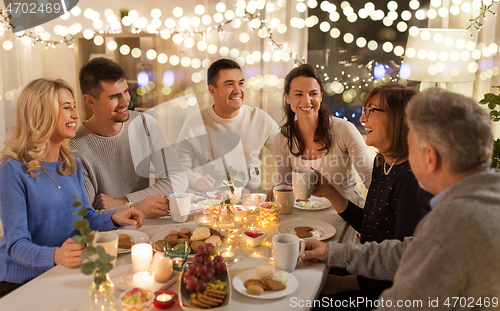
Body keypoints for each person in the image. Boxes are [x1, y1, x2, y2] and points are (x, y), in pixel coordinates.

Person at [301, 87, 499, 310]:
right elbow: (408, 250)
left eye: (412, 147)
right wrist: (332, 252)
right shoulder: (486, 198)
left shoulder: (452, 226)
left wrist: (340, 283)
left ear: (430, 157)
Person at [0, 78, 145, 298]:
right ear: (41, 113)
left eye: (75, 107)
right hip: (19, 282)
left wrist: (115, 218)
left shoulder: (71, 163)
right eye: (67, 108)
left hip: (62, 271)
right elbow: (16, 245)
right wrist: (56, 255)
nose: (76, 115)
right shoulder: (12, 169)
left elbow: (84, 217)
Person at [315, 84, 432, 306]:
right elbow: (370, 225)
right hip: (367, 270)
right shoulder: (382, 162)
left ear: (400, 118)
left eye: (371, 110)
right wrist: (329, 191)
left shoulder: (413, 179)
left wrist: (342, 284)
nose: (362, 118)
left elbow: (402, 264)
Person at [70, 57, 188, 218]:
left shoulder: (145, 123)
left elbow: (178, 179)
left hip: (145, 228)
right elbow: (88, 215)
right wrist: (137, 207)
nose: (125, 101)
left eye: (126, 91)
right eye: (114, 97)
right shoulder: (76, 147)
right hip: (109, 235)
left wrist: (125, 202)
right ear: (90, 101)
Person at [272, 64, 372, 206]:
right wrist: (278, 188)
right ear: (287, 98)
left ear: (321, 96)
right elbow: (286, 180)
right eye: (298, 94)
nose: (307, 101)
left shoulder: (345, 130)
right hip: (306, 210)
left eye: (313, 93)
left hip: (348, 213)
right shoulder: (283, 138)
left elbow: (369, 177)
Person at [176, 58, 279, 191]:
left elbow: (287, 154)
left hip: (251, 199)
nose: (237, 90)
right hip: (211, 200)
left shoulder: (259, 119)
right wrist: (195, 180)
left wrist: (281, 185)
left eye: (241, 83)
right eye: (229, 84)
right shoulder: (194, 123)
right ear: (212, 90)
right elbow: (178, 167)